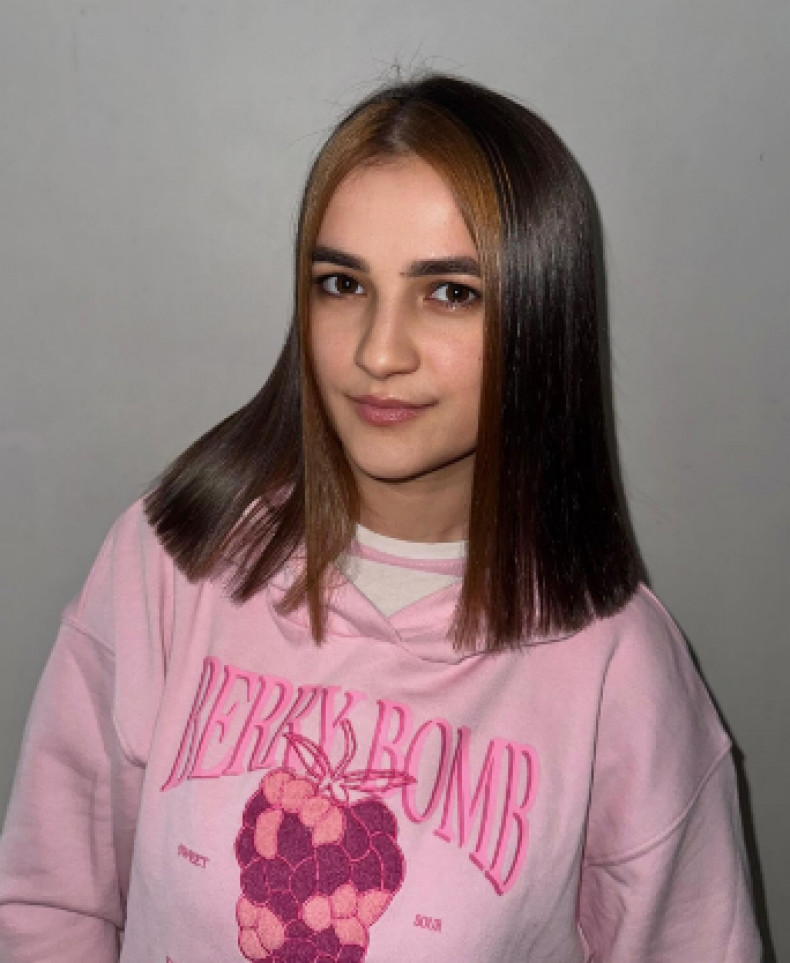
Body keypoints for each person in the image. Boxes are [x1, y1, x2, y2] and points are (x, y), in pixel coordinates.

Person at [0, 73, 761, 962]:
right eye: (343, 283)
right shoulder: (170, 562)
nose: (378, 350)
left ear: (540, 321)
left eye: (450, 292)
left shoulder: (616, 668)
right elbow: (47, 905)